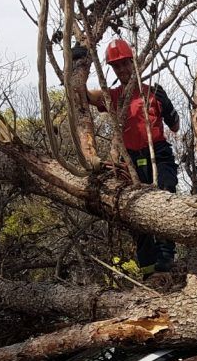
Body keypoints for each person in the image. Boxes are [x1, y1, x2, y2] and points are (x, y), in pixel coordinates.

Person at [74, 38, 181, 276]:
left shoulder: (153, 93)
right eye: (116, 66)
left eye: (125, 64)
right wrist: (78, 62)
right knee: (136, 212)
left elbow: (175, 126)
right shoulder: (113, 96)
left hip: (159, 154)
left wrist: (168, 108)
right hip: (130, 159)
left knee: (165, 193)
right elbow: (80, 93)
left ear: (134, 63)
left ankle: (166, 256)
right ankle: (149, 269)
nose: (121, 69)